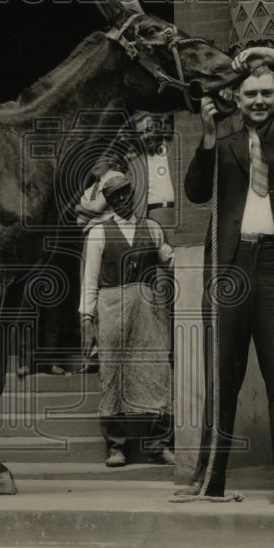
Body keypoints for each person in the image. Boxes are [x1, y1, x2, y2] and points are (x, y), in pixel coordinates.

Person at [180, 46, 274, 501]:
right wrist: (207, 135)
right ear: (237, 99)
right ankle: (210, 480)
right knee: (221, 377)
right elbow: (193, 192)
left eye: (267, 93)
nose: (259, 101)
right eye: (250, 95)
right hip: (229, 268)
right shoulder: (224, 143)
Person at [80, 172, 176, 467]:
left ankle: (159, 444)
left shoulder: (152, 228)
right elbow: (90, 280)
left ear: (133, 193)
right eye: (115, 196)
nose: (122, 199)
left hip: (148, 313)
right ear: (108, 202)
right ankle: (116, 446)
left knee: (156, 372)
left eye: (125, 193)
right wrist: (86, 320)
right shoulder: (98, 232)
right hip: (112, 311)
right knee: (112, 375)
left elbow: (171, 260)